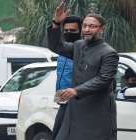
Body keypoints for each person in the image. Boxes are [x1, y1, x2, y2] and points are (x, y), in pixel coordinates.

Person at [47, 1, 119, 140]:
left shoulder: (109, 53)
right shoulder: (79, 45)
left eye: (92, 26)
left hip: (97, 113)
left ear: (101, 29)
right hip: (74, 111)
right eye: (85, 26)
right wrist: (56, 23)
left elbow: (103, 79)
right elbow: (56, 46)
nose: (87, 29)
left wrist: (76, 91)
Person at [52, 16, 82, 139]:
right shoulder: (63, 51)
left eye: (73, 31)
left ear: (80, 31)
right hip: (63, 101)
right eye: (66, 30)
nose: (68, 33)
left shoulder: (80, 49)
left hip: (77, 101)